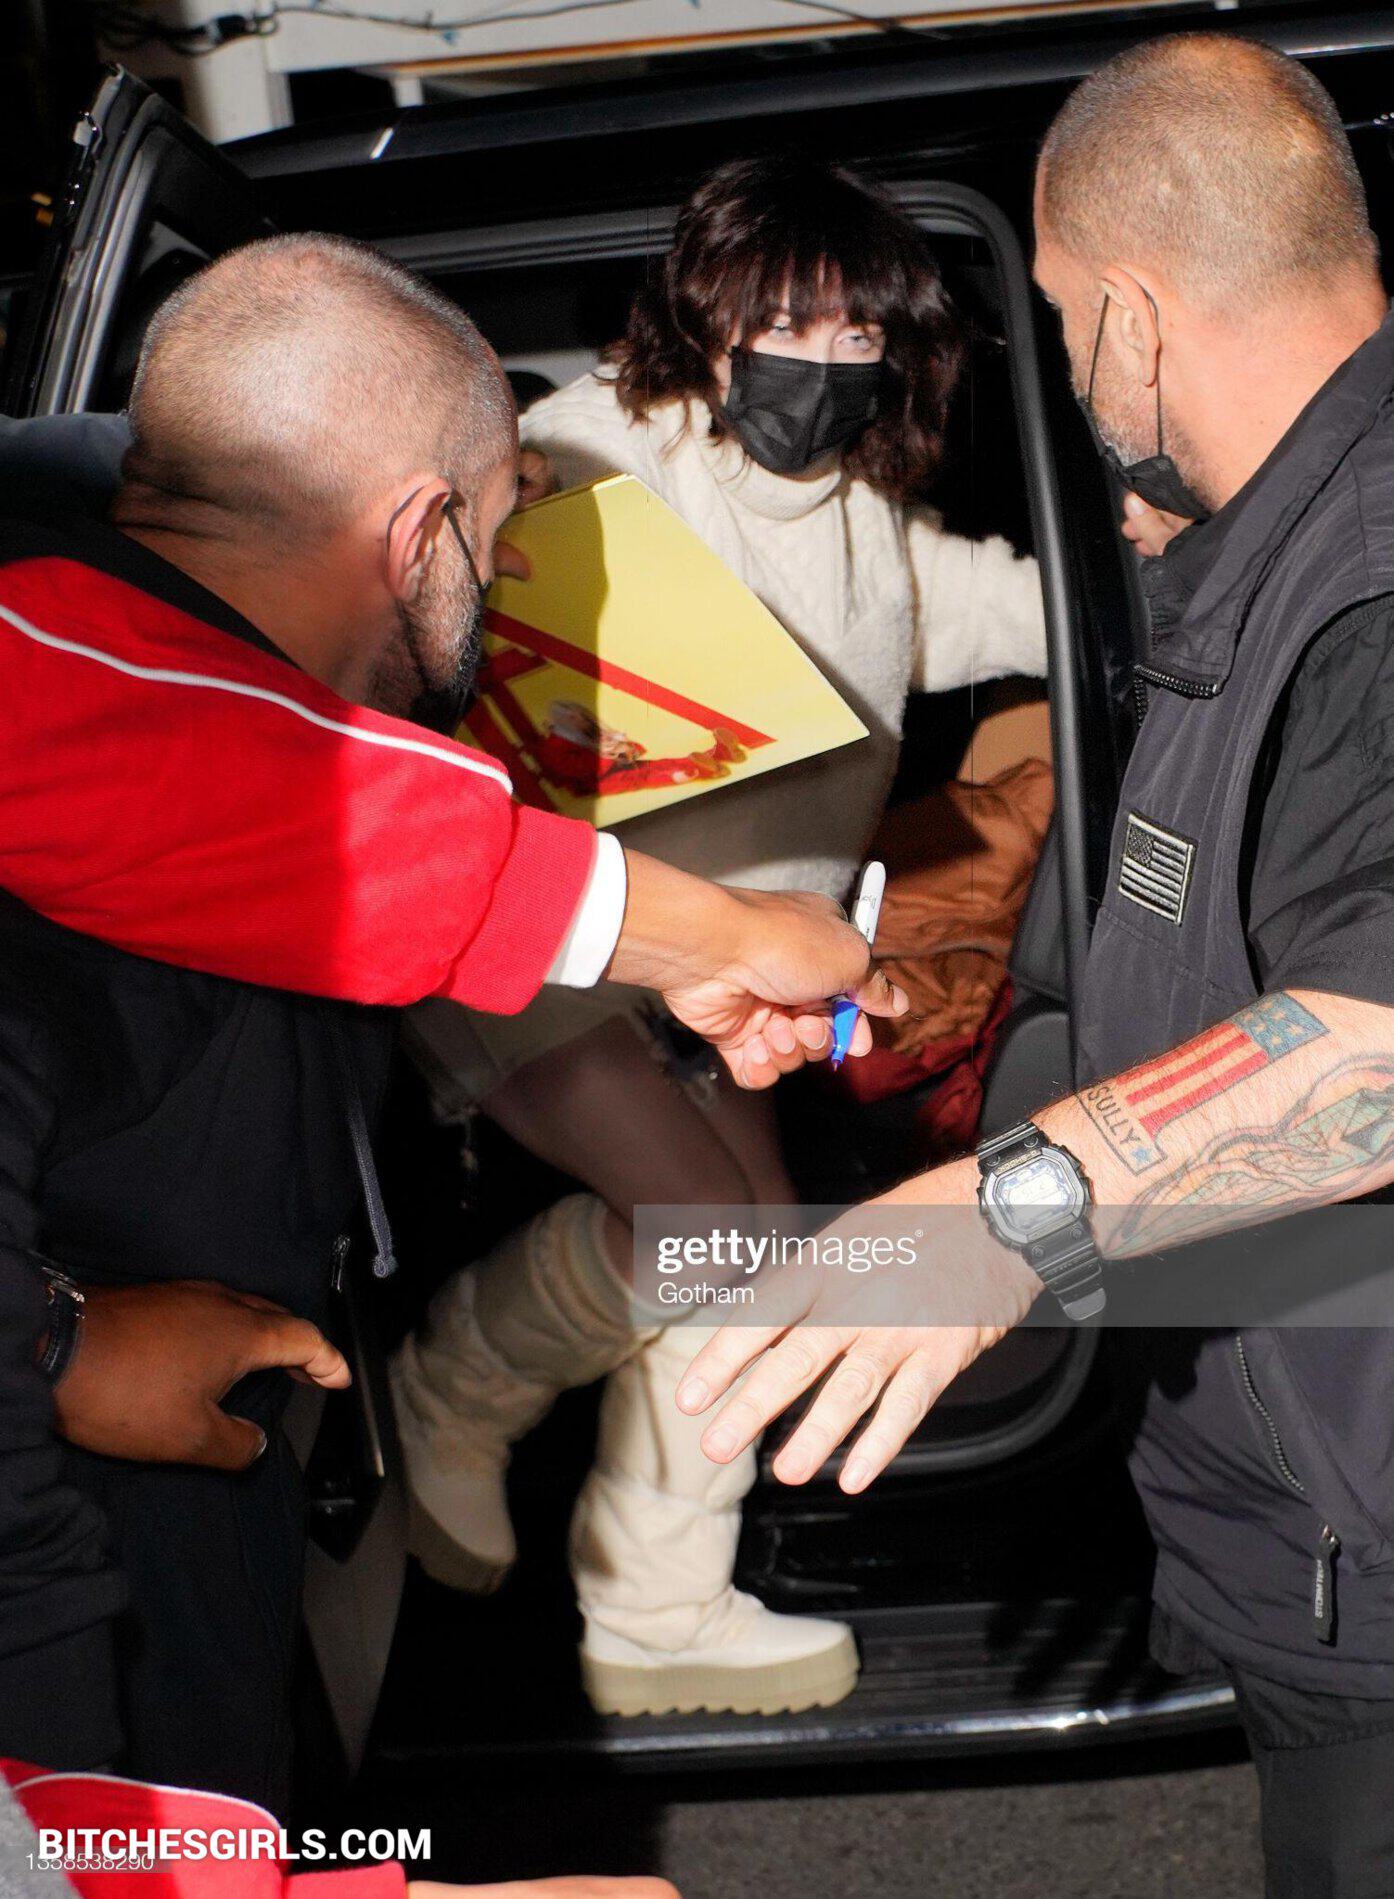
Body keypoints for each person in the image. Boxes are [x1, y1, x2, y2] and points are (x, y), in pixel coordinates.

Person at [0, 233, 901, 1811]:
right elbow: (298, 801)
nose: (500, 575)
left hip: (195, 1510)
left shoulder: (195, 732)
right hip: (64, 1597)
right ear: (419, 529)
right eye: (493, 532)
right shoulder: (69, 679)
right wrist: (61, 1344)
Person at [673, 36, 1394, 1897]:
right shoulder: (1269, 545)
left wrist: (1002, 1218)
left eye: (1064, 322)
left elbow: (1376, 1053)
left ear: (1131, 317)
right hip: (1316, 1526)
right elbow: (1224, 962)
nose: (1071, 370)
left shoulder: (1369, 581)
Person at [389, 154, 1047, 1719]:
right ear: (705, 316)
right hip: (554, 933)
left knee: (753, 1259)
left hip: (726, 977)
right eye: (784, 324)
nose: (818, 365)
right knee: (703, 1227)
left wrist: (1178, 577)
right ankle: (449, 1389)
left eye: (855, 336)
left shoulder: (867, 523)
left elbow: (1008, 608)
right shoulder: (588, 453)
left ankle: (655, 1606)